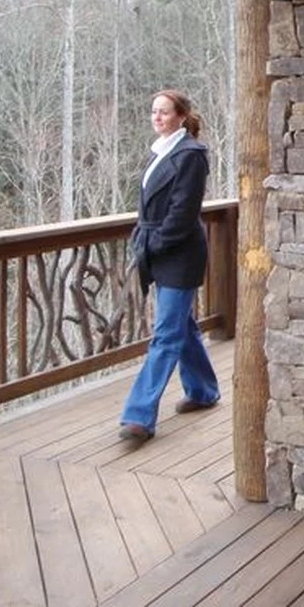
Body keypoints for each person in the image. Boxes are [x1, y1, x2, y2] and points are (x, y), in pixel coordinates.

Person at [119, 89, 220, 443]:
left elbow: (183, 211)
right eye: (153, 112)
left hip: (179, 253)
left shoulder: (190, 155)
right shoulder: (160, 152)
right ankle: (204, 390)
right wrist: (142, 242)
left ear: (181, 115)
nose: (157, 118)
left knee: (166, 333)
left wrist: (156, 244)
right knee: (182, 326)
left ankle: (139, 415)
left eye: (163, 112)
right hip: (157, 249)